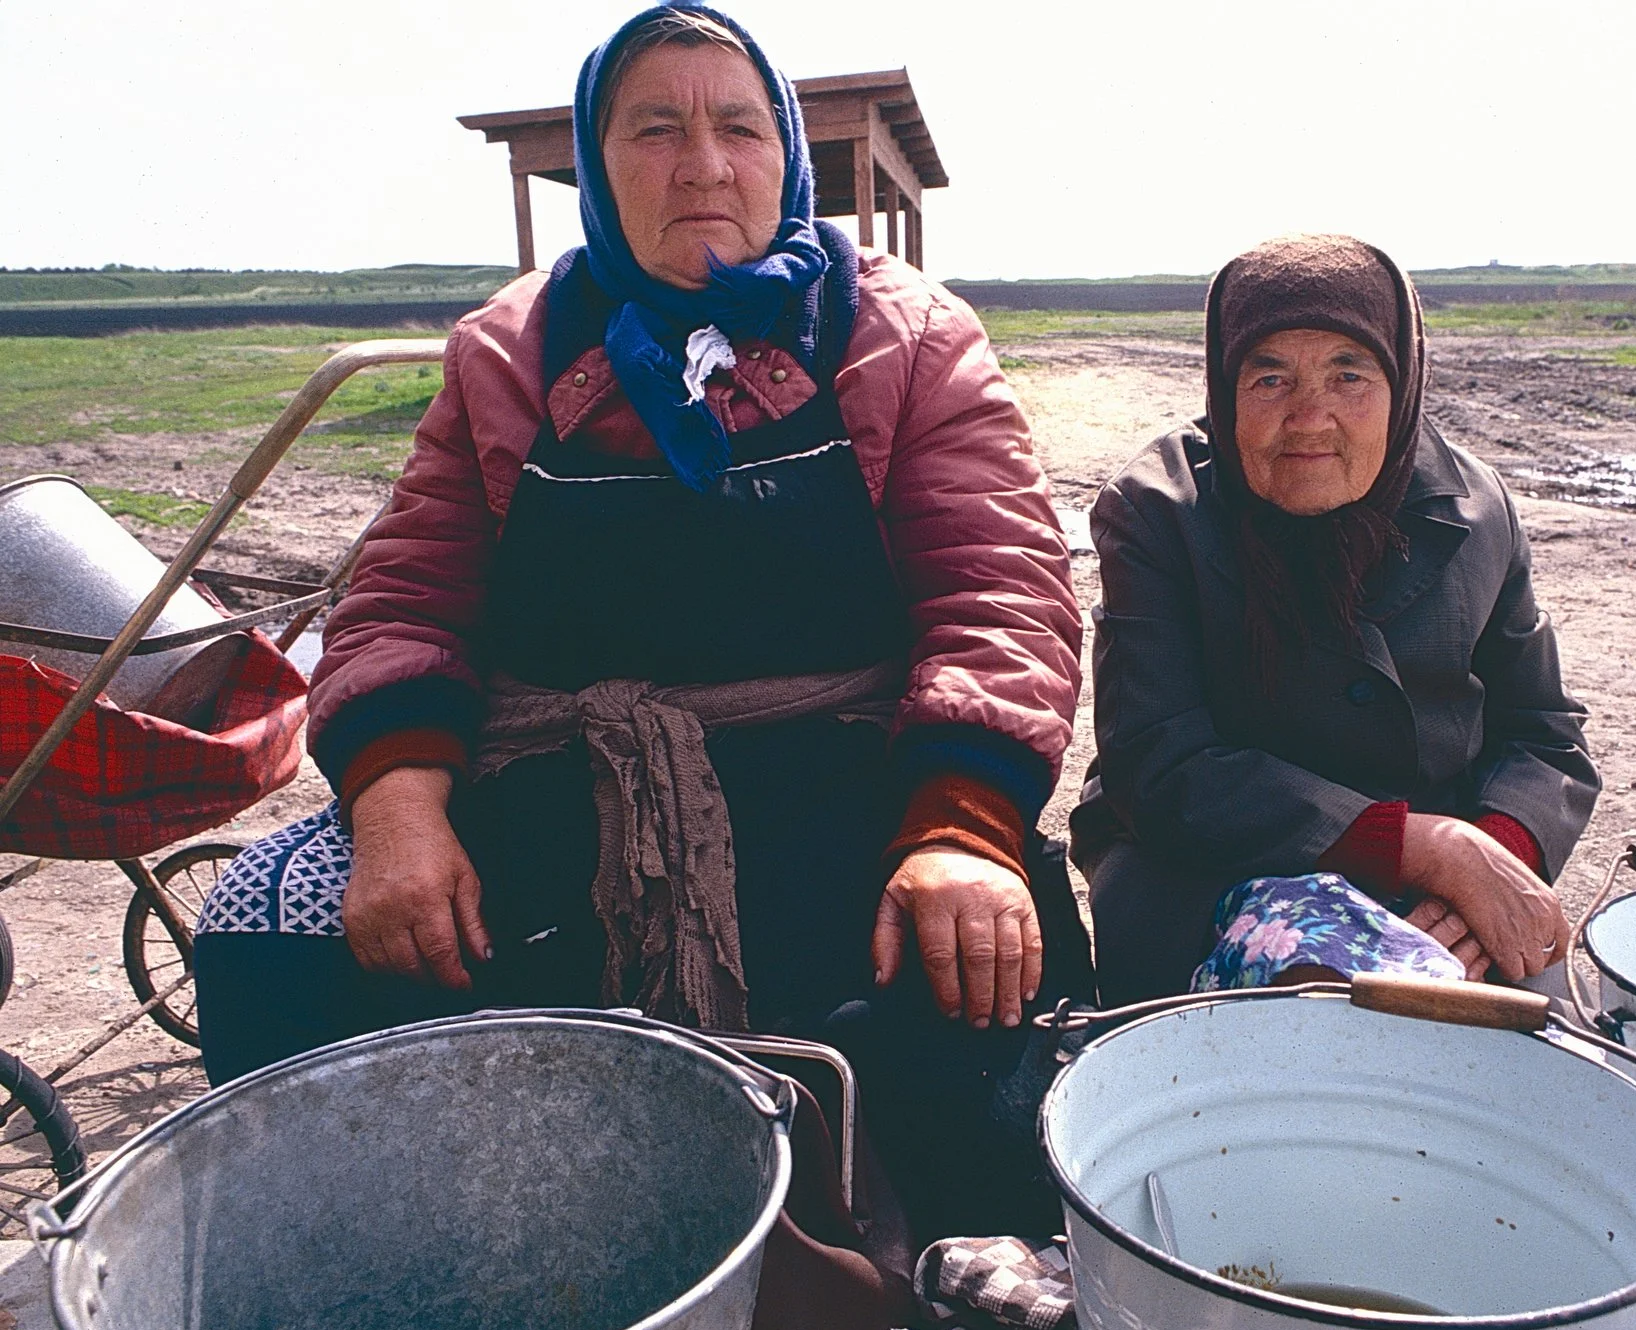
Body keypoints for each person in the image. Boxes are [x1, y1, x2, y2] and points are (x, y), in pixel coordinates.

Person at [193, 2, 1088, 1242]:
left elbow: (999, 592)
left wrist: (964, 825)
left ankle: (935, 1275)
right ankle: (382, 1259)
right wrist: (397, 806)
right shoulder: (508, 350)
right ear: (598, 165)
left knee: (968, 965)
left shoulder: (902, 334)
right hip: (554, 782)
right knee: (264, 914)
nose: (703, 163)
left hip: (842, 769)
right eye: (655, 128)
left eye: (738, 127)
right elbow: (404, 596)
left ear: (785, 153)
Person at [1070, 233, 1600, 1005]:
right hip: (1204, 863)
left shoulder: (1478, 508)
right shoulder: (1158, 511)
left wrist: (1493, 855)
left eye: (1349, 375)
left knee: (1529, 1032)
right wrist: (1424, 847)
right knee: (1312, 1015)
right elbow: (1158, 762)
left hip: (1445, 879)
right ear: (1224, 385)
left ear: (1402, 380)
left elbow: (1545, 733)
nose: (1309, 418)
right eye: (1270, 379)